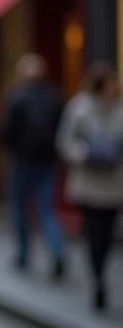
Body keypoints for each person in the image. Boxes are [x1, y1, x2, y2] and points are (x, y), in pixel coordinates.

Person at [57, 63, 123, 313]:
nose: (113, 89)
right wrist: (82, 154)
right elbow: (64, 142)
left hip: (115, 184)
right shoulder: (78, 108)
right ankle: (98, 280)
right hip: (88, 183)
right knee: (95, 235)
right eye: (109, 85)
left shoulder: (120, 109)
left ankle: (100, 271)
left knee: (107, 236)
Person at [0, 54, 67, 279]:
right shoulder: (54, 96)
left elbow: (5, 131)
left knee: (21, 210)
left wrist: (13, 148)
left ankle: (24, 255)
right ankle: (57, 251)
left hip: (22, 162)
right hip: (47, 162)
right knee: (47, 210)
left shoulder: (16, 97)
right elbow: (62, 129)